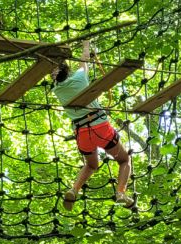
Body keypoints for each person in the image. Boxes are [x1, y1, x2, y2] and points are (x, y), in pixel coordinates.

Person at [50, 40, 134, 211]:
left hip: (81, 133)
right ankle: (120, 193)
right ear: (68, 70)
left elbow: (58, 72)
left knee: (91, 165)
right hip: (100, 127)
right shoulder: (80, 77)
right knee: (125, 159)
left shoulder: (56, 89)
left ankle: (74, 190)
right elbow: (84, 60)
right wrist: (86, 45)